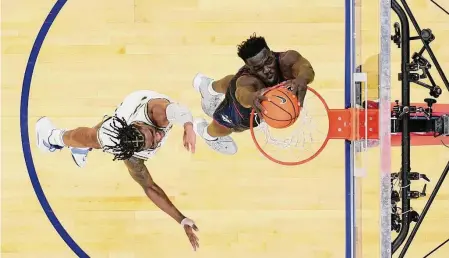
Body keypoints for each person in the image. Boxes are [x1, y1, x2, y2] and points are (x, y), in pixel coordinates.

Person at [35, 90, 200, 251]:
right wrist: (182, 220)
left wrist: (188, 127)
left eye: (154, 134)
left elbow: (182, 111)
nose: (159, 137)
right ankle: (51, 137)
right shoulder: (123, 146)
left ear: (142, 124)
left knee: (100, 137)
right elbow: (150, 187)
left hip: (137, 100)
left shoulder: (157, 112)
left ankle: (79, 147)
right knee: (92, 138)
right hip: (122, 119)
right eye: (154, 141)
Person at [191, 34, 315, 155]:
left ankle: (208, 87)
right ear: (249, 68)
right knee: (224, 128)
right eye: (259, 68)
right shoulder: (247, 80)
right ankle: (204, 133)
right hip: (242, 108)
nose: (267, 69)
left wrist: (302, 78)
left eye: (269, 61)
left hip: (235, 83)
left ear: (271, 53)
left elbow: (305, 67)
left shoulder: (287, 59)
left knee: (230, 82)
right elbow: (241, 94)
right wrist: (251, 98)